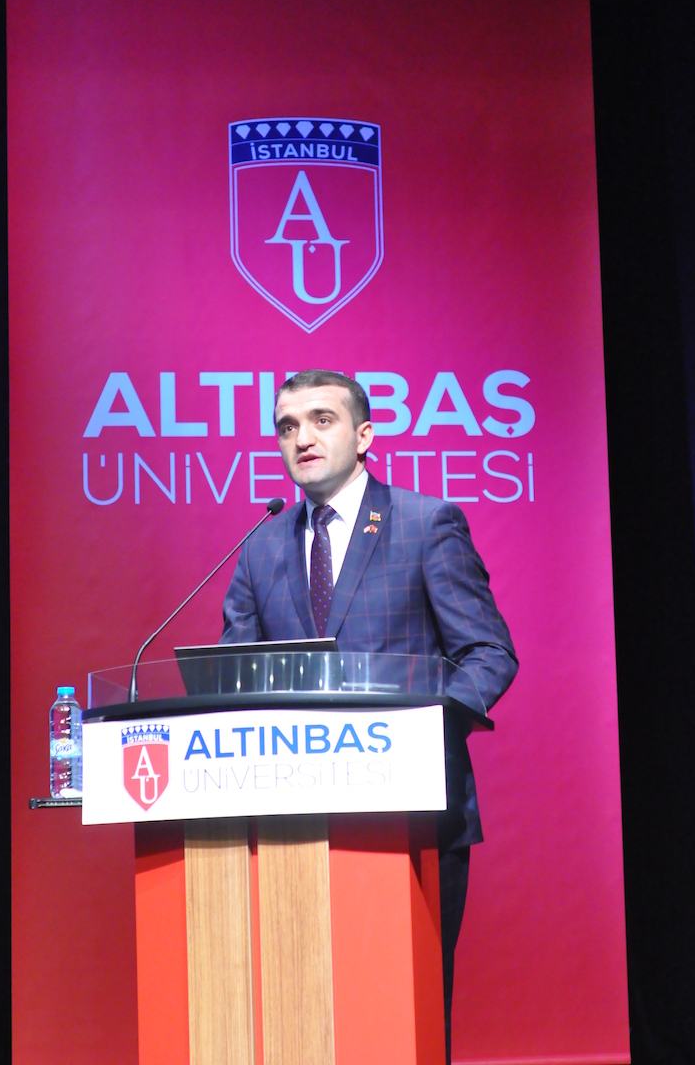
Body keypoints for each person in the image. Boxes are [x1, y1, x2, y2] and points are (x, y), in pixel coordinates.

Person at [220, 369, 517, 1062]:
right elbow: (233, 676)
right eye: (287, 426)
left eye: (321, 420)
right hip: (291, 818)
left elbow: (487, 653)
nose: (302, 437)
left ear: (364, 436)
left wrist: (423, 727)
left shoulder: (424, 523)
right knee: (304, 1016)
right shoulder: (261, 546)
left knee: (402, 1015)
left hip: (408, 812)